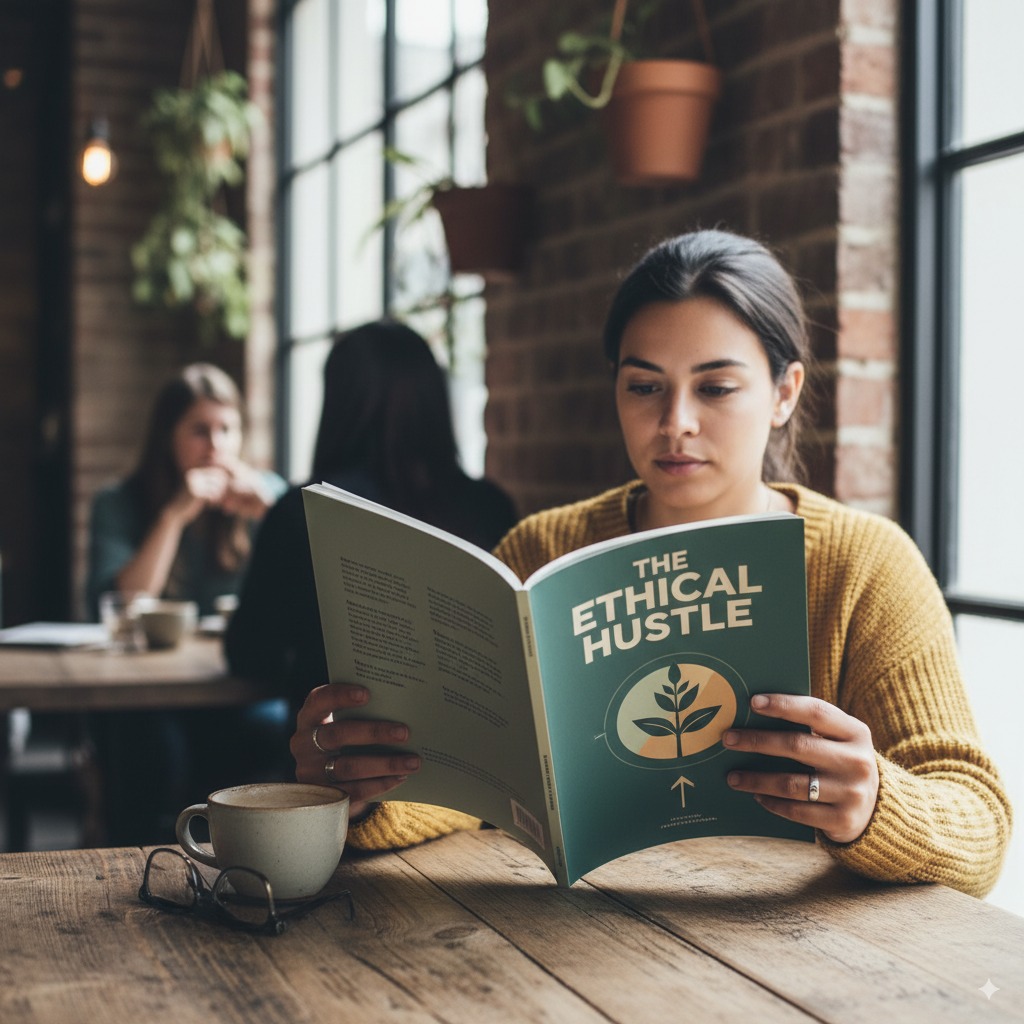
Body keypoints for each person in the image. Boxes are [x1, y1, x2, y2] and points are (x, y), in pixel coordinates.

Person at [291, 230, 1013, 898]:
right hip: (567, 930)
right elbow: (483, 790)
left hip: (799, 946)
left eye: (716, 387)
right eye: (644, 386)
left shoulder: (865, 565)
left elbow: (979, 825)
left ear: (784, 393)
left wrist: (876, 802)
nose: (675, 423)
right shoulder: (542, 550)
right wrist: (364, 792)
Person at [225, 318, 519, 715]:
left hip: (336, 743)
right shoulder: (491, 507)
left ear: (339, 404)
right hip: (477, 738)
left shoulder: (303, 513)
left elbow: (250, 656)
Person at [87, 362, 290, 844]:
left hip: (233, 688)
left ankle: (250, 854)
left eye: (227, 429)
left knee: (272, 730)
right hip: (148, 693)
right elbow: (125, 602)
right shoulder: (120, 500)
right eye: (200, 430)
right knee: (151, 745)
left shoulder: (269, 496)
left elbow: (303, 593)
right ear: (167, 438)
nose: (216, 445)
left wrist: (269, 514)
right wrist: (174, 515)